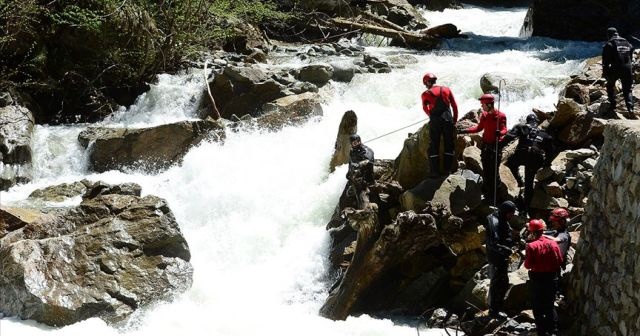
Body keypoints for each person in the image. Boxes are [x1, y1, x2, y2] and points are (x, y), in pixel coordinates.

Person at [499, 114, 554, 215]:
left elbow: (508, 137)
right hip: (535, 157)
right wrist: (546, 164)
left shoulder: (521, 127)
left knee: (510, 163)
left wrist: (499, 146)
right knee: (529, 183)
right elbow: (550, 151)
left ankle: (519, 181)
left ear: (527, 121)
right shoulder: (544, 134)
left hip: (521, 154)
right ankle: (526, 208)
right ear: (537, 123)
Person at [459, 93, 507, 203]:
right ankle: (487, 194)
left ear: (489, 104)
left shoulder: (500, 116)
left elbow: (505, 130)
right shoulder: (484, 115)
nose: (481, 106)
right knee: (486, 171)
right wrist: (465, 131)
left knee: (494, 173)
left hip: (495, 147)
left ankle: (496, 197)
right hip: (486, 147)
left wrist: (500, 133)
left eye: (483, 104)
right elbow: (479, 128)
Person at [524, 219, 563, 336]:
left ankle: (541, 331)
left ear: (531, 231)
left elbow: (528, 265)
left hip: (537, 278)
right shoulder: (553, 243)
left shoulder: (531, 246)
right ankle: (554, 330)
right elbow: (560, 260)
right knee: (550, 304)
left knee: (537, 305)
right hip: (552, 277)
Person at [421, 72, 459, 177]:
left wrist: (431, 116)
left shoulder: (425, 94)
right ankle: (447, 170)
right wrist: (454, 120)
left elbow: (425, 108)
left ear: (427, 82)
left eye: (425, 83)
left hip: (435, 121)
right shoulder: (446, 89)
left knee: (434, 144)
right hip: (448, 119)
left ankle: (434, 172)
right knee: (449, 144)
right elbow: (454, 106)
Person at [484, 200, 516, 318]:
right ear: (504, 212)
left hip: (501, 257)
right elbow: (493, 243)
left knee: (503, 283)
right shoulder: (494, 222)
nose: (512, 216)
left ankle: (497, 307)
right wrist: (506, 250)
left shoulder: (503, 219)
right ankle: (494, 311)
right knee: (497, 284)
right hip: (496, 258)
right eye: (510, 214)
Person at [602, 27, 635, 118]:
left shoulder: (609, 44)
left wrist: (605, 73)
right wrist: (629, 61)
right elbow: (632, 49)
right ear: (617, 33)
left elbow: (606, 62)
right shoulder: (626, 42)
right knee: (628, 89)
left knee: (610, 85)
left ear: (609, 35)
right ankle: (630, 109)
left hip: (616, 68)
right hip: (628, 68)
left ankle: (612, 106)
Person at [346, 134, 374, 208]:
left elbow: (369, 160)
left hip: (366, 178)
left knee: (362, 198)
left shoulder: (366, 150)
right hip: (356, 177)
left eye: (356, 142)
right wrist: (349, 172)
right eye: (353, 143)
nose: (354, 144)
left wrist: (360, 164)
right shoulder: (352, 151)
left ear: (359, 141)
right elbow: (350, 163)